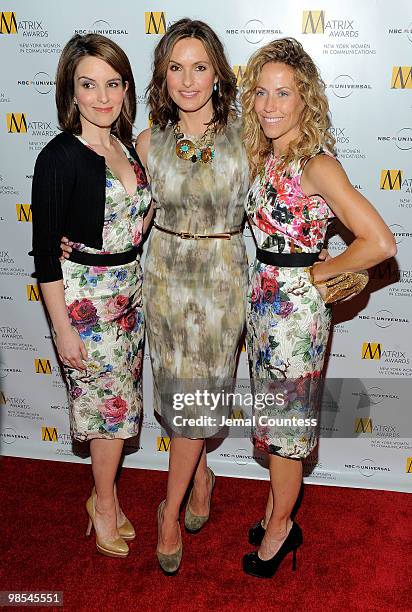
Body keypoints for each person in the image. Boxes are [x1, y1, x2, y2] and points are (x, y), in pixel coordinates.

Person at [240, 37, 396, 578]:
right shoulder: (266, 152)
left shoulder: (316, 164)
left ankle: (282, 530)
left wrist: (322, 271)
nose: (269, 105)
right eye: (261, 92)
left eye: (283, 94)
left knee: (285, 432)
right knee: (275, 422)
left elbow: (380, 241)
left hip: (295, 316)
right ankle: (273, 511)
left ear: (305, 100)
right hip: (262, 306)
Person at [31, 34, 151, 558]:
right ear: (70, 92)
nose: (102, 97)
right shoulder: (58, 156)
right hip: (87, 303)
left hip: (129, 295)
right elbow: (43, 255)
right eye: (88, 85)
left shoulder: (125, 147)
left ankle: (107, 497)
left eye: (112, 84)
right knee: (108, 414)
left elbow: (133, 218)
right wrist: (62, 328)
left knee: (119, 414)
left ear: (125, 89)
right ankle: (103, 503)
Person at [135, 18, 249, 573]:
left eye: (199, 67)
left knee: (196, 400)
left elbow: (286, 192)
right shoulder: (148, 141)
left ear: (217, 72)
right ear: (162, 75)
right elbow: (130, 218)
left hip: (224, 279)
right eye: (175, 68)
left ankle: (168, 507)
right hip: (164, 279)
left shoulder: (247, 134)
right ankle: (197, 478)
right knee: (181, 399)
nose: (187, 80)